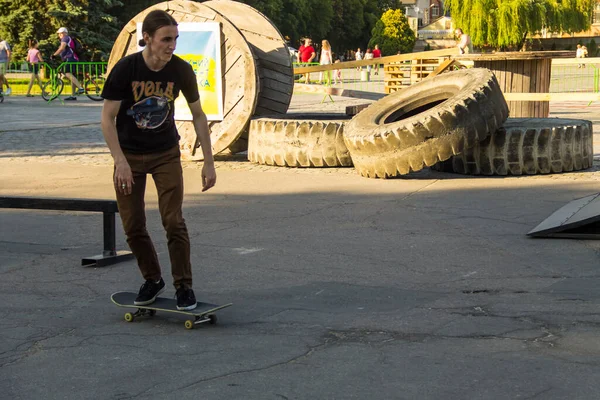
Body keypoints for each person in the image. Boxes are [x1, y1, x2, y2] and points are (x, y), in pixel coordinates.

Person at [100, 9, 217, 310]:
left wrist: (209, 161)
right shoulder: (126, 69)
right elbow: (107, 118)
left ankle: (184, 287)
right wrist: (120, 161)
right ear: (148, 39)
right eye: (166, 39)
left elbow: (199, 115)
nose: (172, 45)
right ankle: (152, 279)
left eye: (176, 39)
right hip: (129, 157)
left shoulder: (180, 70)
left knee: (173, 221)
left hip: (165, 154)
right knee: (133, 226)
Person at [52, 27, 84, 101]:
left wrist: (54, 55)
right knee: (71, 75)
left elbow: (62, 48)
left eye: (59, 34)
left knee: (67, 73)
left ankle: (80, 88)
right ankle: (72, 95)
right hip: (73, 58)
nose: (59, 35)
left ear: (63, 33)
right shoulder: (67, 38)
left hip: (70, 58)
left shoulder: (65, 38)